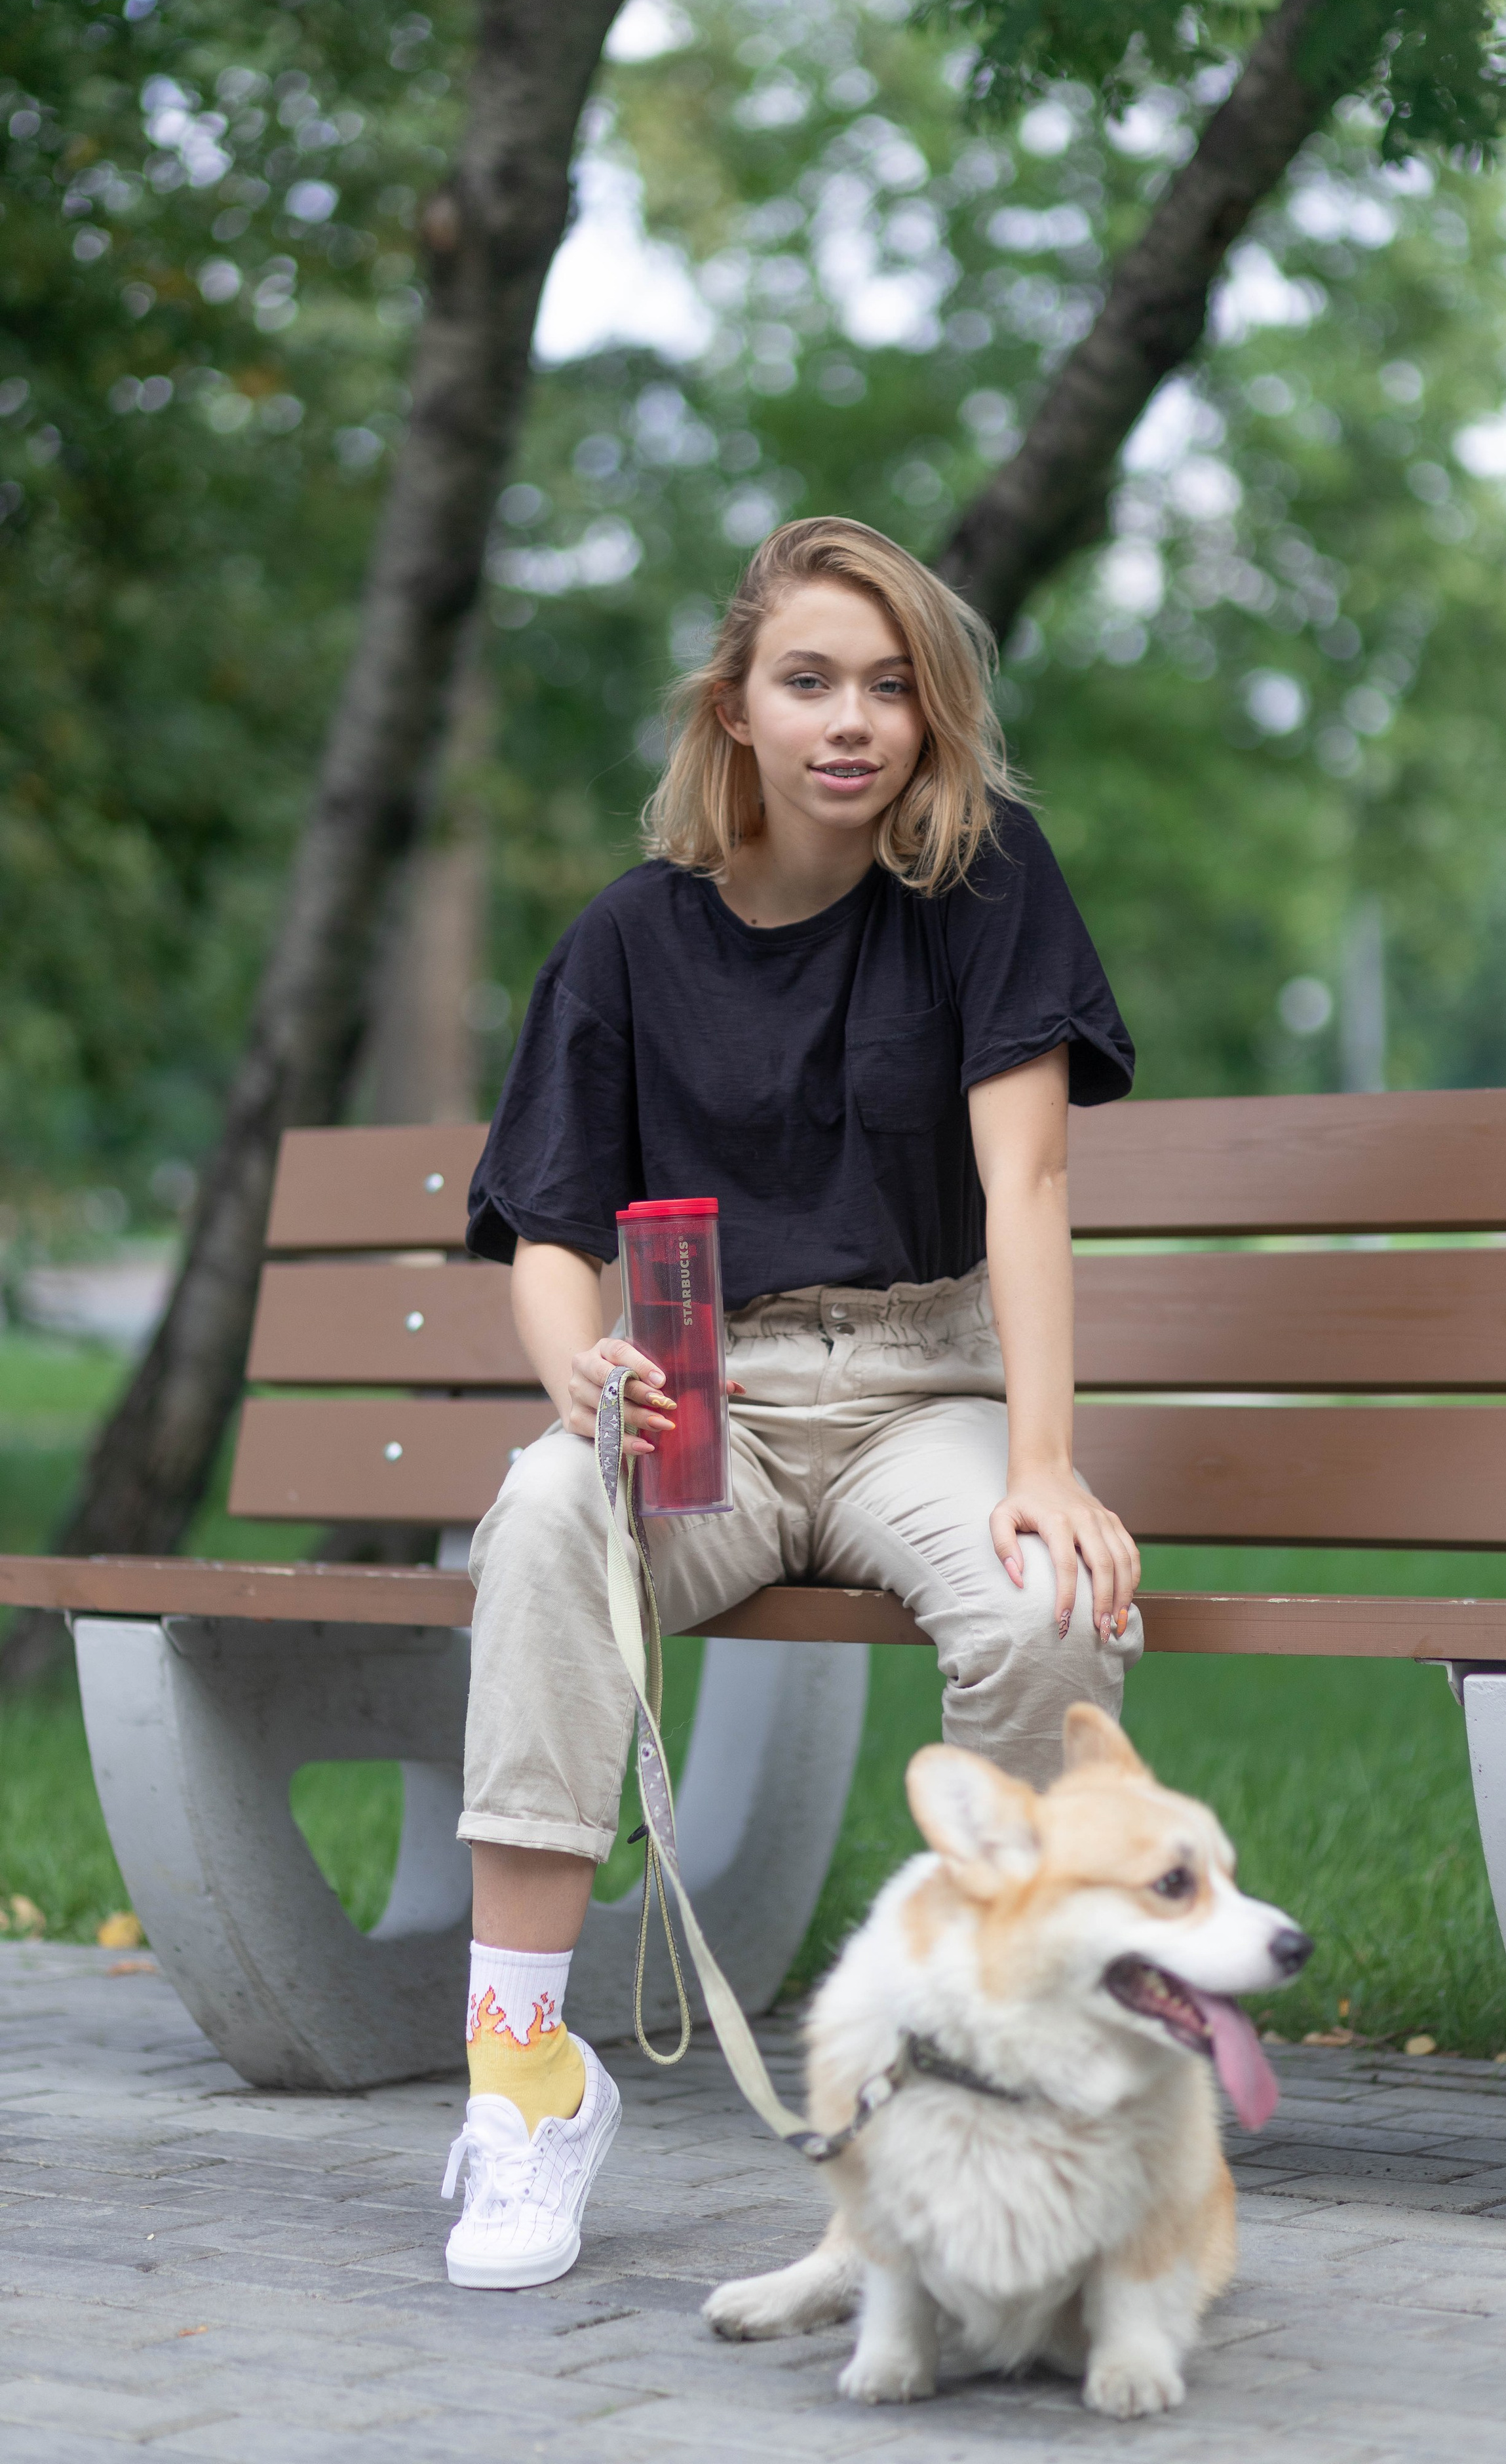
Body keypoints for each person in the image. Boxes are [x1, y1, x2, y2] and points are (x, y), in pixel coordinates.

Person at [441, 516, 1141, 2289]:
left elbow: (1029, 1192)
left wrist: (1046, 1466)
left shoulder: (984, 886)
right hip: (706, 1394)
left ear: (934, 713)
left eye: (892, 686)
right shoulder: (624, 943)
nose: (853, 721)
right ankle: (523, 2082)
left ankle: (980, 2059)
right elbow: (540, 1228)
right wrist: (574, 1369)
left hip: (925, 1379)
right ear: (733, 708)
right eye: (808, 681)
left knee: (1050, 1600)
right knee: (537, 1515)